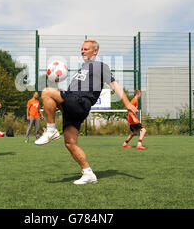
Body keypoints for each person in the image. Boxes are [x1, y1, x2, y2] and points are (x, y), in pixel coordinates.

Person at [35, 39, 138, 185]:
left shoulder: (100, 66)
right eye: (82, 49)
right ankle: (88, 173)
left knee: (46, 91)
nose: (82, 51)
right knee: (70, 143)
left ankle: (51, 130)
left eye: (86, 49)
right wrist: (57, 105)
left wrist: (127, 103)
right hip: (73, 105)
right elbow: (69, 93)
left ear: (95, 51)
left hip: (81, 102)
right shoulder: (81, 70)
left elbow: (115, 85)